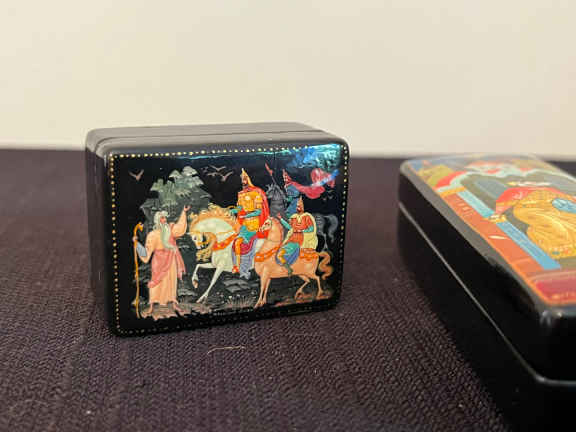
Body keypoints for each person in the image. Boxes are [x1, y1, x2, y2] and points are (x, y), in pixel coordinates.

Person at [134, 206, 189, 315]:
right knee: (156, 282)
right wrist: (137, 245)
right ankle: (151, 306)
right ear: (158, 220)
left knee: (171, 282)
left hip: (171, 259)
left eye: (165, 218)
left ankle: (174, 303)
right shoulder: (152, 234)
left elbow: (180, 228)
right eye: (162, 218)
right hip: (158, 261)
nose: (165, 220)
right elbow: (147, 252)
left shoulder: (170, 230)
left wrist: (183, 212)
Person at [229, 169, 270, 275]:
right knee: (234, 242)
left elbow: (258, 211)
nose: (243, 181)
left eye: (244, 179)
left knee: (238, 242)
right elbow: (240, 208)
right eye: (242, 179)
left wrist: (246, 215)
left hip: (253, 224)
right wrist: (232, 211)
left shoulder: (256, 193)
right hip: (244, 224)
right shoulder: (241, 194)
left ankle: (238, 267)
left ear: (249, 179)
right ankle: (236, 266)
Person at [276, 197, 317, 275]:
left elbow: (311, 229)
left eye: (299, 206)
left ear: (304, 207)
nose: (298, 207)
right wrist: (281, 219)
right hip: (291, 238)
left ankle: (289, 269)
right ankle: (289, 269)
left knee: (279, 255)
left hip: (299, 240)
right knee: (279, 254)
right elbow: (289, 227)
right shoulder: (294, 217)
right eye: (297, 206)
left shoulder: (306, 216)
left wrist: (301, 231)